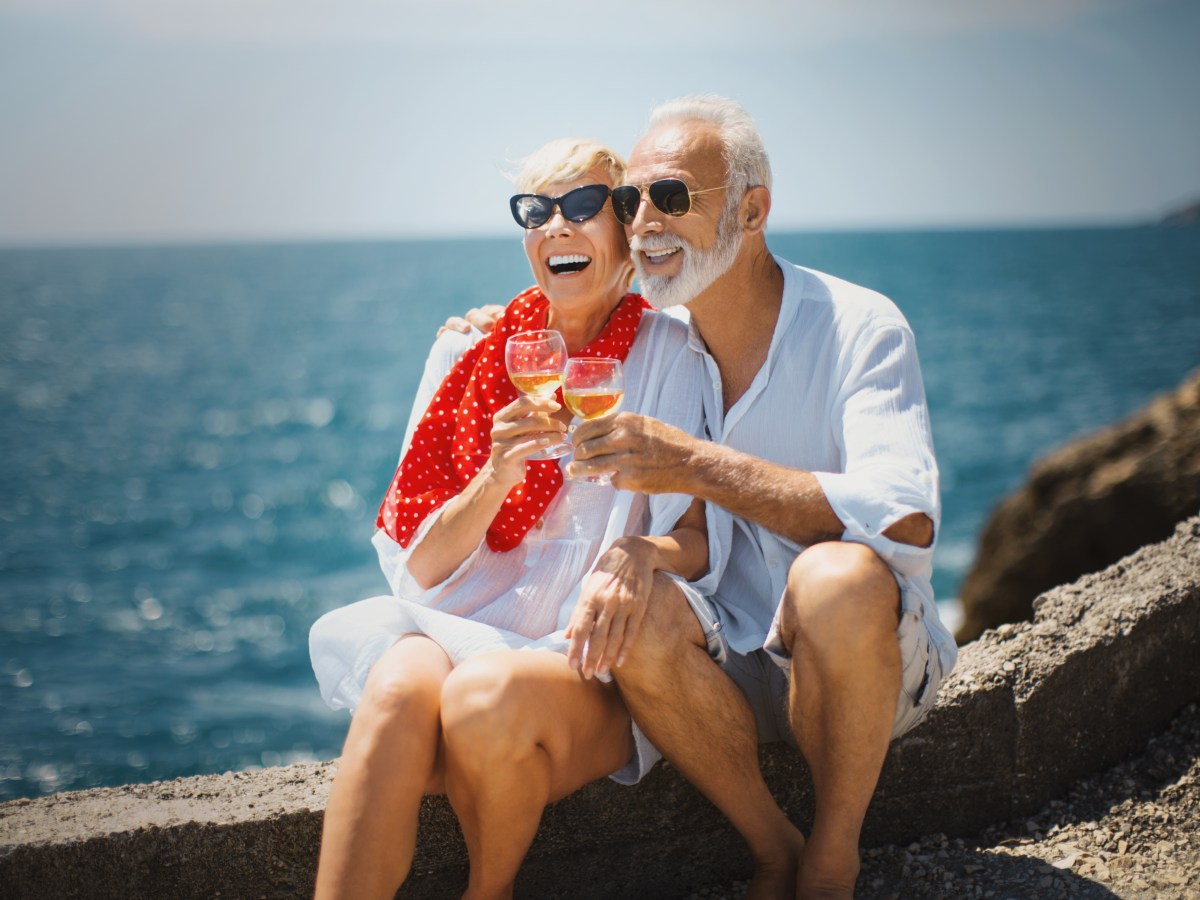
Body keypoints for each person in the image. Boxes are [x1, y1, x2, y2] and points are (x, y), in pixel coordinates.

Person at [452, 96, 957, 900]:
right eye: (630, 201)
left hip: (861, 658)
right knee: (635, 601)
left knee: (835, 578)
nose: (644, 220)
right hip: (729, 661)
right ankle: (774, 848)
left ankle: (831, 861)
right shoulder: (668, 337)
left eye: (673, 197)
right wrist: (499, 322)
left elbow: (906, 518)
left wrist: (696, 463)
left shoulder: (860, 326)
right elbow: (575, 302)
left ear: (753, 210)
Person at [308, 137, 715, 900]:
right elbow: (420, 568)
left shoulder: (676, 357)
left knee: (480, 697)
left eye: (585, 206)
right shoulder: (468, 351)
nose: (557, 226)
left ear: (626, 225)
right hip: (457, 624)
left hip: (579, 656)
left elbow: (700, 538)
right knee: (396, 690)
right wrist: (497, 474)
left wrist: (638, 552)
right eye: (537, 211)